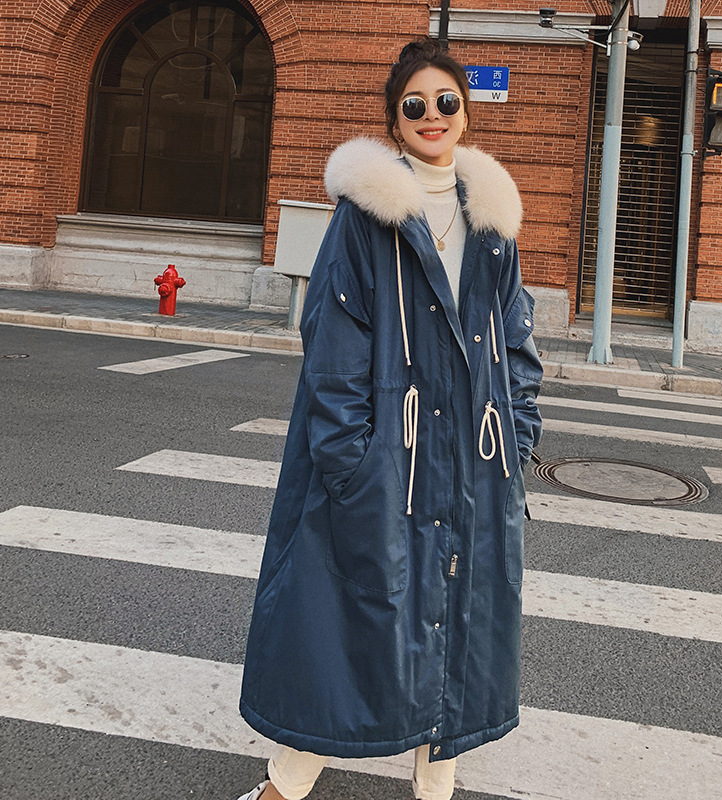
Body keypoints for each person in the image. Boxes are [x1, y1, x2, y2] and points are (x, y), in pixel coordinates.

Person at [237, 37, 543, 800]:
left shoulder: (492, 224)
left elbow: (518, 343)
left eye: (446, 100)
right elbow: (332, 347)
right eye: (415, 104)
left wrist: (517, 439)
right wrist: (352, 461)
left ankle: (433, 792)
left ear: (465, 112)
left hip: (475, 463)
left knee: (459, 633)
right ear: (394, 119)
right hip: (386, 462)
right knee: (346, 625)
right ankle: (283, 787)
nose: (432, 114)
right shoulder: (364, 219)